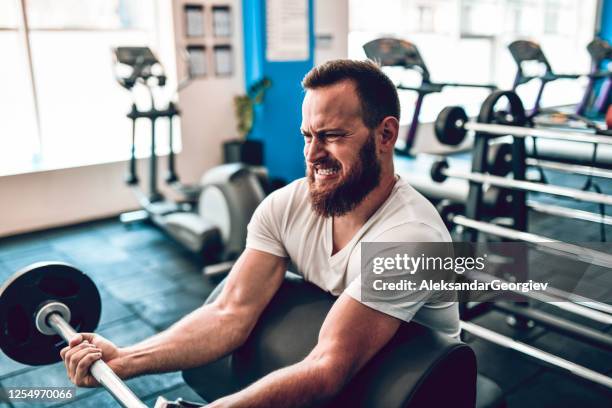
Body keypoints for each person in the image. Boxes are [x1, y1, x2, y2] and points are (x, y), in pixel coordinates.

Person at [61, 59, 459, 407]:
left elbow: (327, 368)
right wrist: (125, 359)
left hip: (418, 382)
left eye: (332, 136)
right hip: (344, 356)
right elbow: (229, 312)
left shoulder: (412, 239)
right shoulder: (286, 205)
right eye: (308, 135)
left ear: (385, 136)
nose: (312, 154)